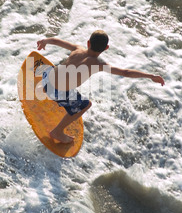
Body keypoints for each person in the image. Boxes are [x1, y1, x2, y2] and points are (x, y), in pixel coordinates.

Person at [37, 30, 165, 143]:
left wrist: (45, 41)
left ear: (88, 43)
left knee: (60, 70)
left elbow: (55, 40)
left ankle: (45, 89)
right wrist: (150, 76)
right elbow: (125, 72)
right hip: (55, 92)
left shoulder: (77, 48)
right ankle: (57, 131)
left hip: (46, 78)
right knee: (85, 105)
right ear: (106, 48)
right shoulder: (98, 64)